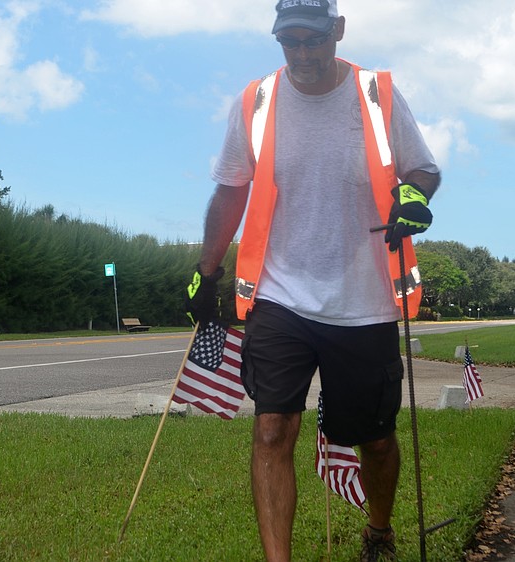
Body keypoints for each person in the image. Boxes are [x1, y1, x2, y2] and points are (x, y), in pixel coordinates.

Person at [184, 1, 441, 560]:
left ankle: (378, 531)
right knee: (272, 429)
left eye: (313, 40)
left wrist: (415, 198)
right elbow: (231, 190)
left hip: (365, 299)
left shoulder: (379, 96)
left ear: (338, 31)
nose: (301, 54)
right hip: (280, 295)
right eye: (289, 41)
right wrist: (206, 273)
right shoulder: (255, 102)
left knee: (373, 439)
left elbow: (421, 168)